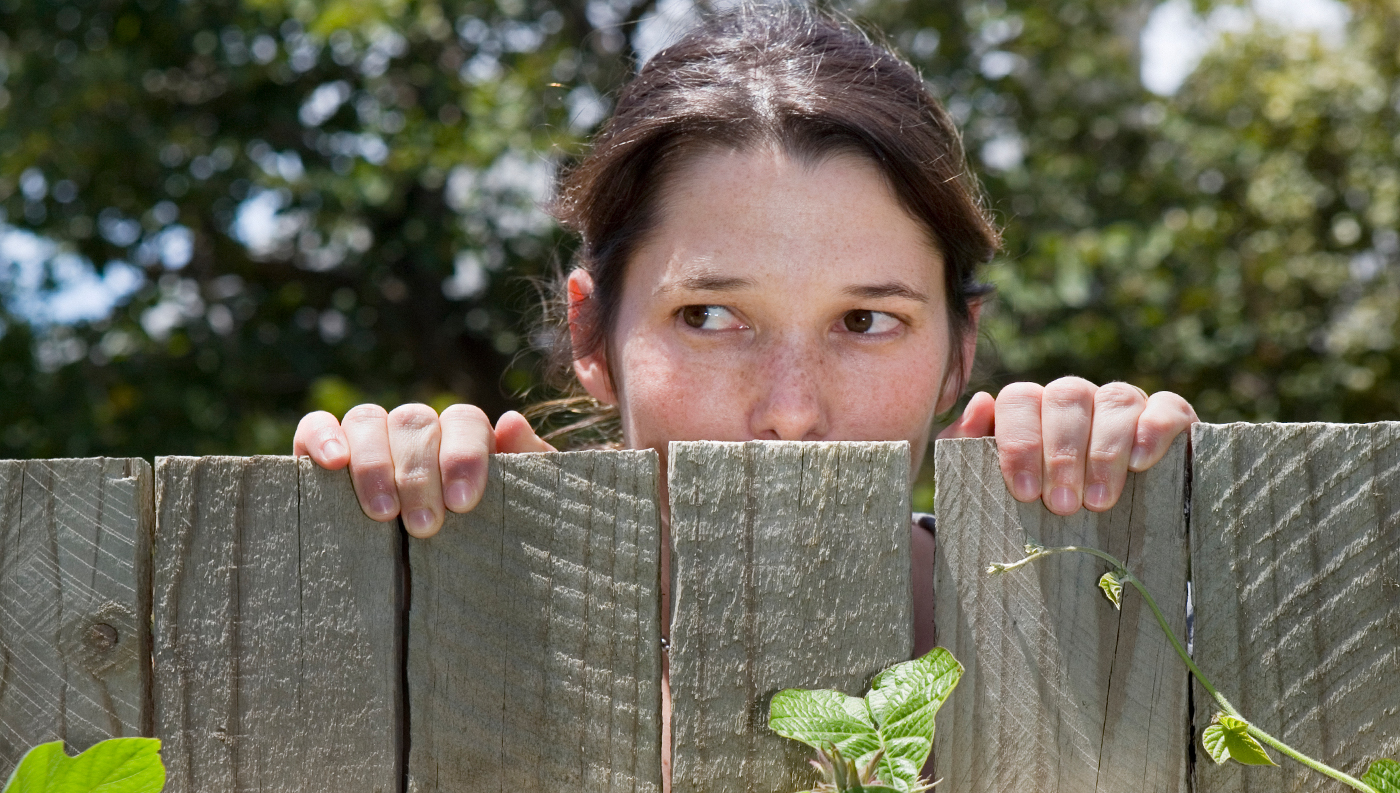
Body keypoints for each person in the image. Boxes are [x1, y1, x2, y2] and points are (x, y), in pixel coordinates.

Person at [293, 0, 1194, 689]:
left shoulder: (1130, 627)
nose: (793, 412)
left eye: (866, 321)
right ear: (589, 335)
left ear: (960, 354)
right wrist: (375, 571)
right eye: (711, 317)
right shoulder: (442, 633)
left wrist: (1126, 563)